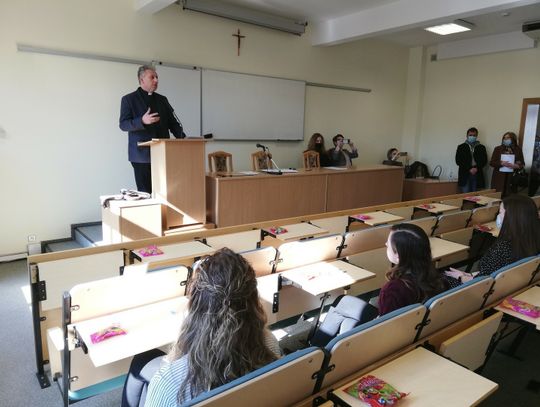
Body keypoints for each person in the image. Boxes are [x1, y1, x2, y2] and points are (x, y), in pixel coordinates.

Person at [122, 248, 280, 407]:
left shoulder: (168, 384)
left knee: (142, 361)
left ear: (196, 307)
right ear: (254, 304)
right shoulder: (270, 347)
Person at [445, 194, 540, 287]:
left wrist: (460, 277)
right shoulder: (532, 241)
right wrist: (469, 275)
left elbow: (481, 283)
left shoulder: (503, 247)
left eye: (500, 212)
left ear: (511, 218)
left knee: (443, 280)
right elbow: (494, 271)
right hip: (510, 286)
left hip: (485, 290)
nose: (498, 216)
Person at [119, 65, 185, 193]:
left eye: (157, 77)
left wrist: (183, 138)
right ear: (141, 79)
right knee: (146, 193)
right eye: (152, 77)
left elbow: (172, 123)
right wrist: (142, 121)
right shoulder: (128, 99)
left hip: (163, 154)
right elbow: (123, 124)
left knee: (165, 192)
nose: (156, 80)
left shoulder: (162, 99)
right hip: (141, 156)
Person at [378, 223, 447, 315]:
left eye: (388, 245)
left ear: (398, 255)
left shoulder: (392, 290)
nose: (386, 243)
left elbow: (387, 322)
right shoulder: (436, 277)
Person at [489, 132, 525, 197]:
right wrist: (501, 163)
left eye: (508, 138)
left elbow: (522, 164)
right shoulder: (498, 149)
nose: (505, 140)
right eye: (504, 138)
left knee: (510, 197)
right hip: (499, 177)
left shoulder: (518, 149)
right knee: (497, 196)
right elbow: (492, 162)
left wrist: (517, 166)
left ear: (513, 139)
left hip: (511, 177)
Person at [455, 127, 488, 193]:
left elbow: (484, 160)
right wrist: (469, 168)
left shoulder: (481, 147)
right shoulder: (461, 147)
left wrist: (476, 168)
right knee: (466, 194)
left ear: (476, 136)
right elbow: (458, 161)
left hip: (477, 173)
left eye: (474, 135)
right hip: (465, 173)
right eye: (470, 135)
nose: (472, 137)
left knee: (476, 195)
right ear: (467, 136)